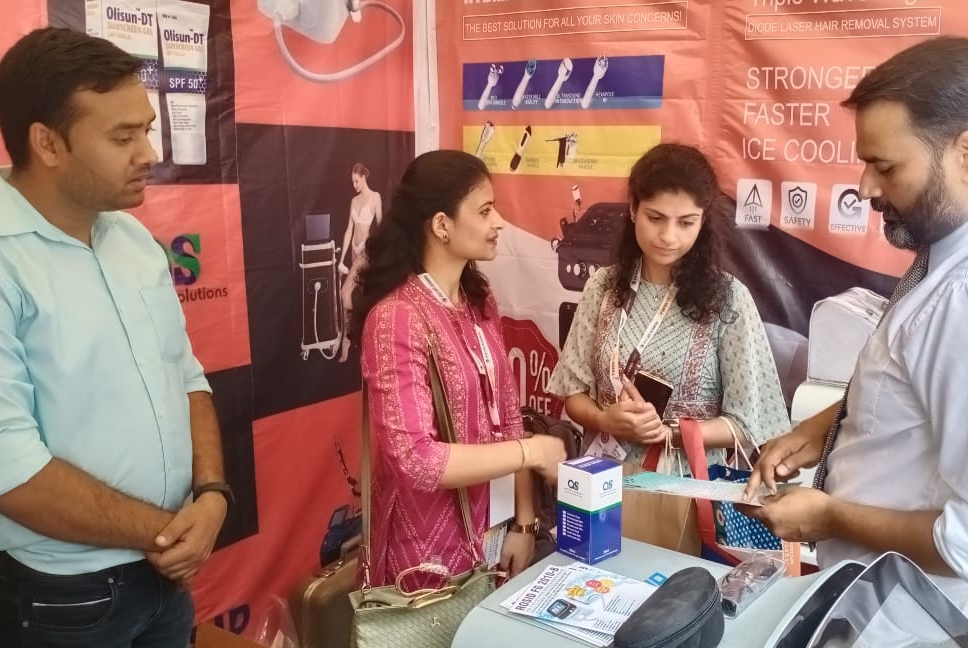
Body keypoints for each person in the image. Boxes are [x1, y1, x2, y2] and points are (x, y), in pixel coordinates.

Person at [742, 36, 968, 648]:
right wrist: (828, 425)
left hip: (946, 623)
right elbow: (930, 388)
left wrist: (830, 516)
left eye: (886, 167)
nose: (866, 188)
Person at [0, 28, 229, 648]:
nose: (148, 153)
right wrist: (167, 532)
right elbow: (3, 463)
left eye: (146, 129)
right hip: (60, 595)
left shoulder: (133, 241)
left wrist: (212, 495)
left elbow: (186, 376)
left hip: (164, 576)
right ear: (47, 143)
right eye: (123, 137)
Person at [350, 149, 566, 590]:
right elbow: (416, 460)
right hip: (425, 555)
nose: (498, 222)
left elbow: (508, 417)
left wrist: (524, 522)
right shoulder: (397, 317)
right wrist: (531, 453)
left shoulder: (478, 302)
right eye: (485, 211)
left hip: (494, 533)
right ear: (442, 225)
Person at [548, 143, 790, 473]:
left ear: (703, 222)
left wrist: (668, 434)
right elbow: (573, 391)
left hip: (685, 487)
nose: (668, 236)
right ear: (633, 209)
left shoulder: (728, 298)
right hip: (602, 478)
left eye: (686, 222)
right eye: (655, 218)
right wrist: (605, 420)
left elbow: (749, 423)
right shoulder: (603, 285)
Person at [338, 162, 381, 363]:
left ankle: (347, 339)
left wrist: (375, 249)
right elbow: (349, 230)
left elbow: (380, 225)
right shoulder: (353, 201)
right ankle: (361, 339)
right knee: (361, 295)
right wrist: (341, 260)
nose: (354, 185)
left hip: (366, 252)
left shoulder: (375, 197)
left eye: (356, 181)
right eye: (352, 181)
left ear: (363, 178)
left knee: (345, 292)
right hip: (354, 253)